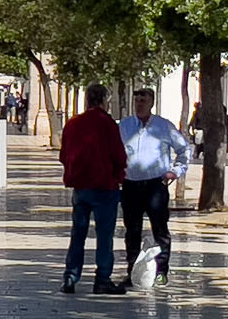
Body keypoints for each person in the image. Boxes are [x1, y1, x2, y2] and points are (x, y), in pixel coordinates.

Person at [58, 83, 128, 295]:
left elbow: (63, 155)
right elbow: (119, 155)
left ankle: (70, 277)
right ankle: (102, 279)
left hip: (81, 186)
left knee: (78, 233)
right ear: (104, 100)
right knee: (104, 235)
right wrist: (119, 175)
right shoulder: (107, 124)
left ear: (87, 99)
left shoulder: (73, 124)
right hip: (105, 186)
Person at [119, 87, 192, 286]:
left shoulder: (163, 127)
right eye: (137, 101)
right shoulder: (124, 126)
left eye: (144, 100)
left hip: (155, 185)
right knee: (132, 230)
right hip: (130, 185)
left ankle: (161, 271)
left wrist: (175, 171)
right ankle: (133, 271)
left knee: (159, 229)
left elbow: (184, 149)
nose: (140, 104)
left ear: (151, 103)